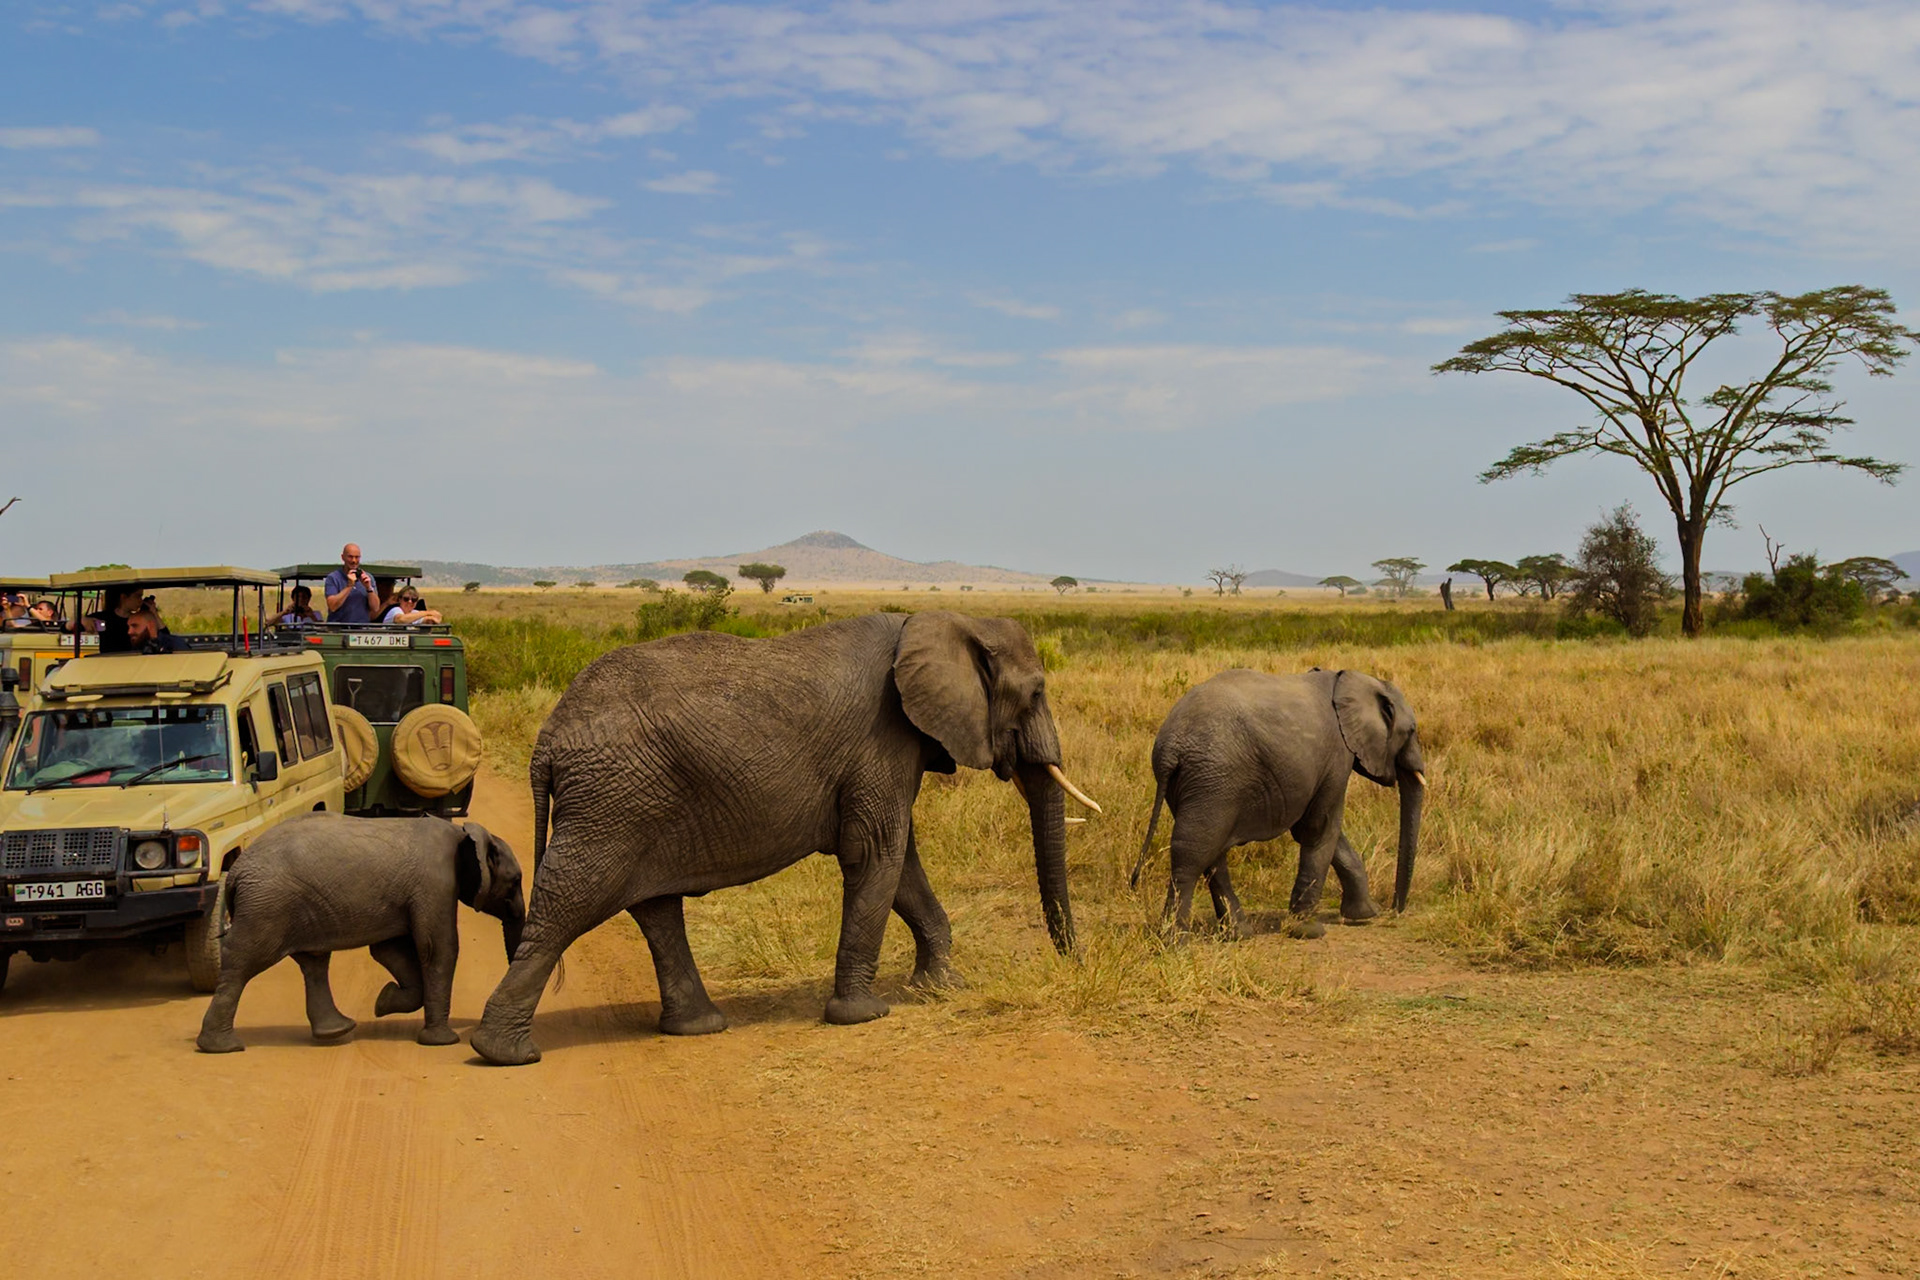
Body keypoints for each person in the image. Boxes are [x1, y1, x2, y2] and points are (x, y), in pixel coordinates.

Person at [324, 543, 378, 624]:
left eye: (357, 557)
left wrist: (369, 588)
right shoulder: (333, 578)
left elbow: (375, 608)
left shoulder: (368, 577)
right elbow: (332, 606)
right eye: (350, 557)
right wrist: (349, 586)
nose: (354, 561)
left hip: (361, 629)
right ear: (343, 557)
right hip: (338, 630)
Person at [98, 585, 143, 654]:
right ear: (123, 597)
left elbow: (162, 638)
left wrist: (154, 613)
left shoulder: (140, 619)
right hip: (108, 662)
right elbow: (77, 626)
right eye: (137, 596)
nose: (141, 601)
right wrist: (84, 620)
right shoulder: (103, 618)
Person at [379, 586, 443, 626]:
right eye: (406, 599)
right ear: (399, 600)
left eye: (413, 600)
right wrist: (427, 613)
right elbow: (401, 619)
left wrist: (433, 618)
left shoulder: (414, 613)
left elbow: (430, 620)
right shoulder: (395, 610)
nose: (410, 602)